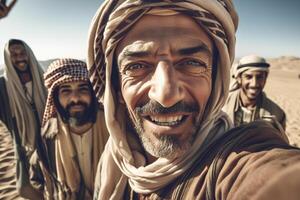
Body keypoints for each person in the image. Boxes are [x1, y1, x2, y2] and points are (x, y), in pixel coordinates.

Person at [86, 0, 300, 199]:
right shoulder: (114, 160)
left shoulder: (238, 160)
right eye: (137, 66)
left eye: (192, 63)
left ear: (217, 79)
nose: (166, 96)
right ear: (115, 87)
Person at [30, 58, 109, 199]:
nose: (75, 98)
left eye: (82, 89)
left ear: (92, 92)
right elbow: (37, 177)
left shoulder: (113, 127)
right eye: (66, 91)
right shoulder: (49, 134)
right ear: (55, 97)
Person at [1, 38, 47, 198]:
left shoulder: (44, 79)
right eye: (14, 54)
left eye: (23, 53)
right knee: (24, 188)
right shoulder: (2, 86)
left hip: (50, 140)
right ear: (7, 58)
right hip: (23, 144)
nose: (20, 57)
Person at [223, 55, 287, 133]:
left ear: (265, 78)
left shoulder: (277, 114)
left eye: (259, 77)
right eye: (248, 77)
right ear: (239, 78)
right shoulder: (221, 107)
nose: (254, 84)